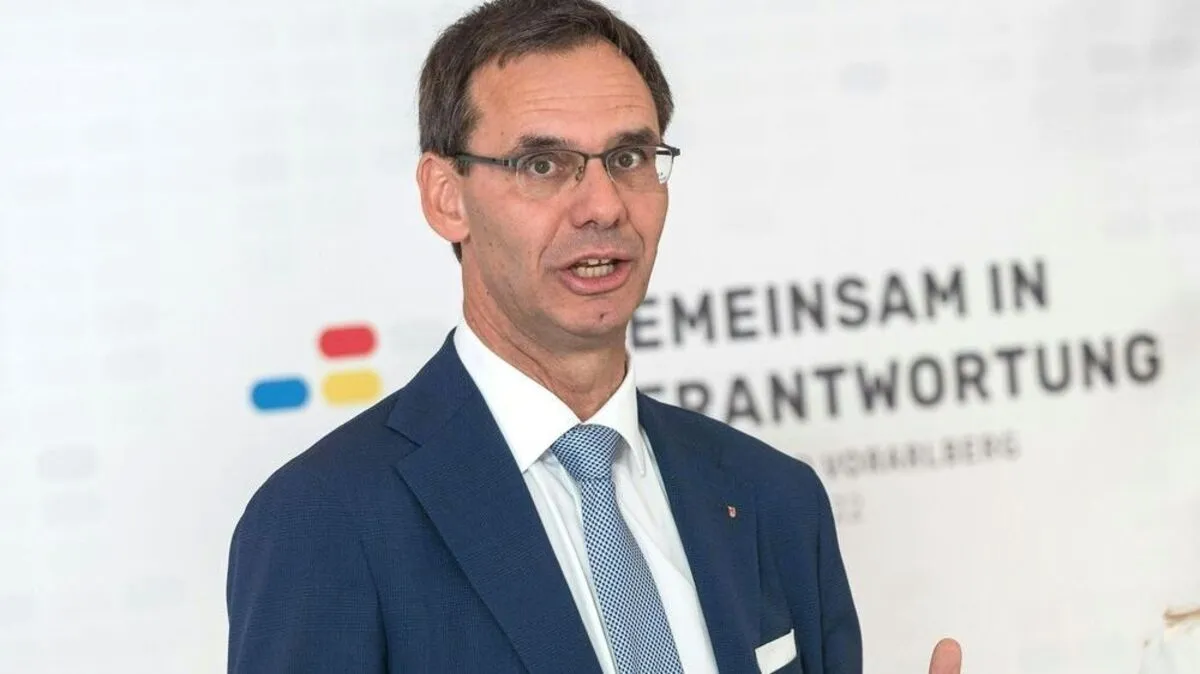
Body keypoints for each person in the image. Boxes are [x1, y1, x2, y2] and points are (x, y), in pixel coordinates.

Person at [226, 1, 963, 672]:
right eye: (543, 165)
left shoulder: (773, 497)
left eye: (628, 158)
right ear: (447, 198)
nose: (603, 205)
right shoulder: (325, 520)